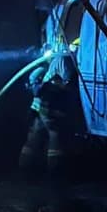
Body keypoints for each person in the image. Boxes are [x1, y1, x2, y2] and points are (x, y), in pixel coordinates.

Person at [19, 38, 80, 180]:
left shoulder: (50, 64)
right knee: (55, 137)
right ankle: (54, 173)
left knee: (34, 137)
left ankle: (25, 170)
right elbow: (66, 84)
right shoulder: (65, 60)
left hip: (40, 107)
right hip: (50, 107)